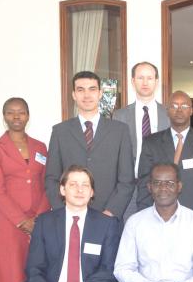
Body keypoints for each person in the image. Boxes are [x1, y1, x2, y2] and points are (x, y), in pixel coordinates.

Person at [45, 71, 134, 221]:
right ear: (74, 95)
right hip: (70, 218)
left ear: (100, 93)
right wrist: (64, 211)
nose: (86, 95)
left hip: (108, 218)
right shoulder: (60, 131)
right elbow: (52, 178)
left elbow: (126, 180)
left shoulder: (120, 131)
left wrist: (111, 212)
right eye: (81, 90)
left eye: (92, 89)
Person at [137, 90, 193, 219]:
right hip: (158, 216)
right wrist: (144, 216)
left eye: (184, 106)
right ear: (167, 111)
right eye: (174, 106)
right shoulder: (151, 143)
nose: (179, 110)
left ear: (191, 110)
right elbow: (144, 183)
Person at [0, 98, 50, 282]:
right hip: (9, 223)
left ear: (28, 116)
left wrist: (38, 218)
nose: (16, 116)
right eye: (10, 112)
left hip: (38, 221)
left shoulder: (40, 147)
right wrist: (22, 221)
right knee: (13, 278)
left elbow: (47, 184)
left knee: (35, 275)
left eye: (21, 112)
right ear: (4, 117)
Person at [113, 62, 170, 220]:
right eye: (140, 78)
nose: (145, 82)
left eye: (149, 78)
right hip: (130, 187)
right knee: (130, 229)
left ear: (156, 82)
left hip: (161, 186)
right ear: (133, 81)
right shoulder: (119, 116)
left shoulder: (169, 114)